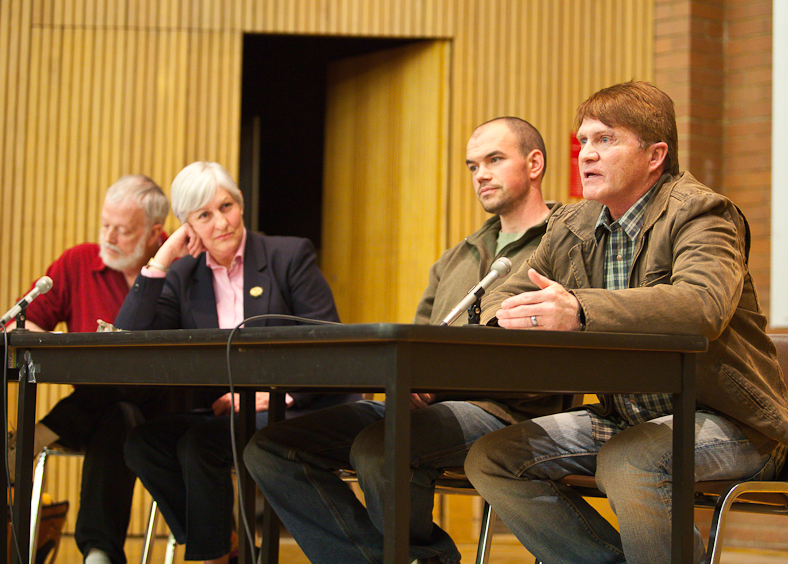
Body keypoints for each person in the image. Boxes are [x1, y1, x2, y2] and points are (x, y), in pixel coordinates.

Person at [463, 81, 788, 564]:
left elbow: (701, 304)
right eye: (583, 142)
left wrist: (580, 310)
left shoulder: (703, 213)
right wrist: (480, 335)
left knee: (631, 461)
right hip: (624, 417)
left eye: (606, 140)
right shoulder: (573, 224)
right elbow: (513, 293)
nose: (586, 156)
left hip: (731, 422)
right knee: (493, 458)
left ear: (655, 155)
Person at [242, 117, 565, 564]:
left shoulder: (566, 243)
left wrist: (434, 382)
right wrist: (410, 380)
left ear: (534, 163)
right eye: (473, 166)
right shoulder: (457, 256)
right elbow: (418, 336)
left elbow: (550, 361)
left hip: (507, 413)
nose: (481, 175)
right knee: (270, 448)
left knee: (380, 446)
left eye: (494, 160)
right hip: (431, 406)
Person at [115, 161, 357, 564]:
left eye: (226, 206)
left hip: (303, 405)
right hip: (228, 413)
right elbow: (129, 340)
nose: (221, 222)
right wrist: (161, 259)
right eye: (204, 216)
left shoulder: (288, 255)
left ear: (240, 204)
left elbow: (328, 345)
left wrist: (271, 396)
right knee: (143, 444)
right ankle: (228, 545)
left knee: (201, 444)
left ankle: (211, 557)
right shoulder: (184, 274)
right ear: (187, 225)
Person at [0, 175, 170, 564]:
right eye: (105, 224)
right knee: (118, 412)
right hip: (109, 419)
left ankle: (35, 437)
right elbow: (19, 323)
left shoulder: (178, 271)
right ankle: (99, 554)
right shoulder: (78, 262)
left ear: (156, 234)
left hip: (166, 413)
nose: (109, 237)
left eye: (122, 230)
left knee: (125, 382)